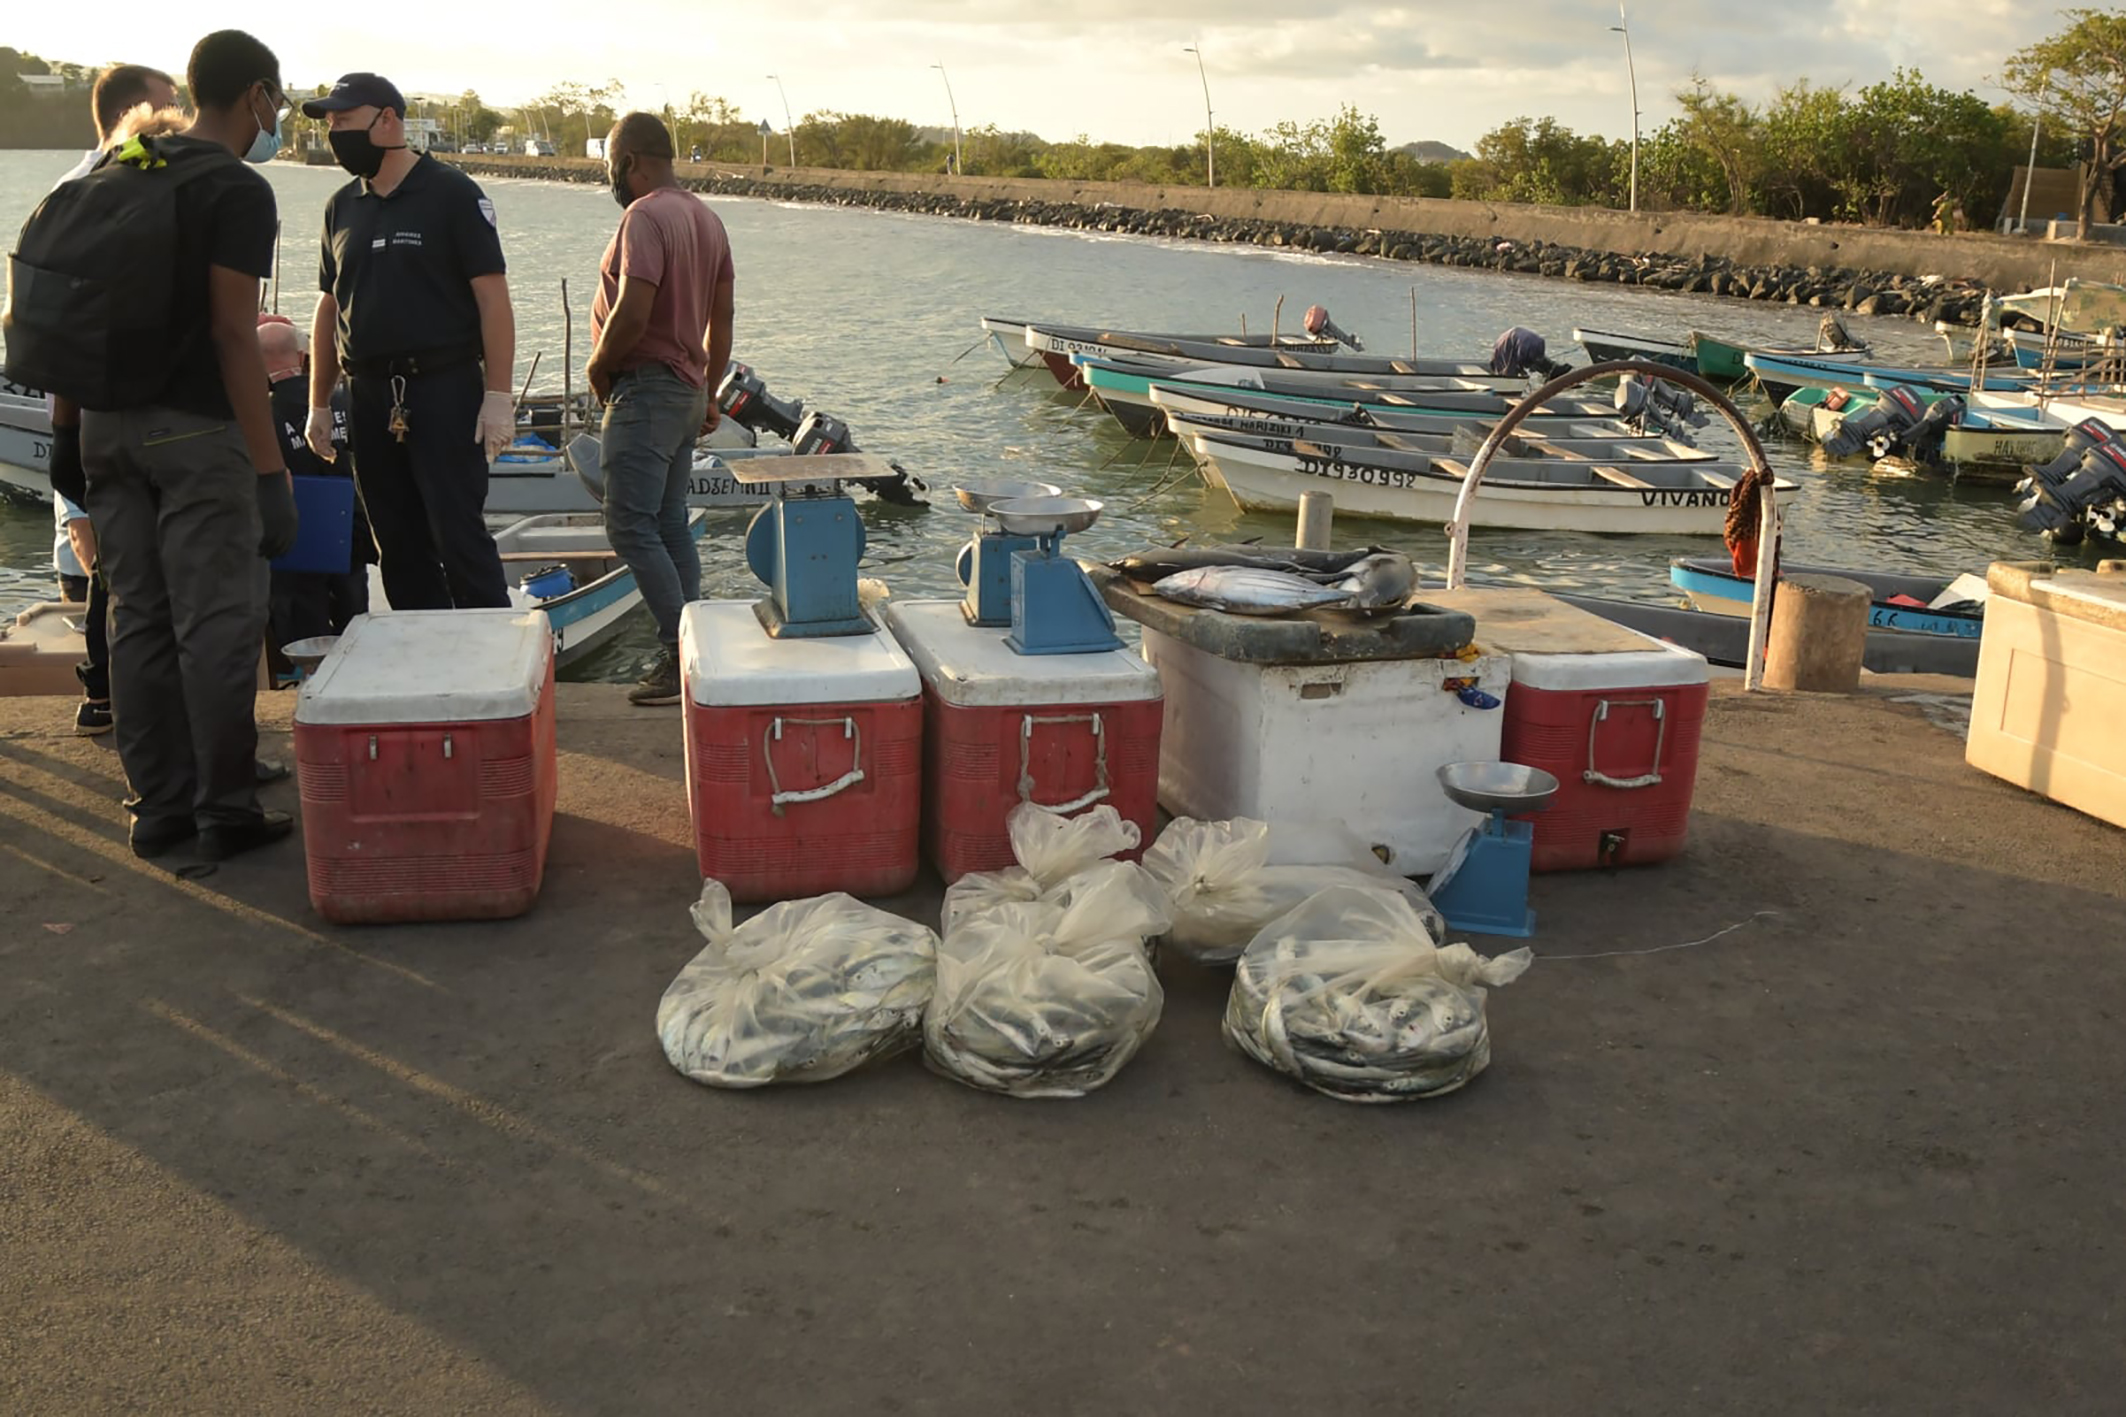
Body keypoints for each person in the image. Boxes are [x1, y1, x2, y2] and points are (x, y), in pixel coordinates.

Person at [42, 30, 299, 861]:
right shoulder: (234, 187)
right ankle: (224, 805)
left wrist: (64, 431)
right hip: (195, 431)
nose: (279, 118)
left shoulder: (122, 166)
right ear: (255, 95)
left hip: (106, 427)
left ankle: (157, 806)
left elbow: (71, 313)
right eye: (279, 101)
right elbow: (233, 333)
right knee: (216, 622)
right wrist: (271, 472)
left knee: (137, 620)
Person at [303, 72, 516, 611]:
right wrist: (318, 404)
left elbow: (493, 299)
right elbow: (329, 307)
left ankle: (492, 662)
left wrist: (498, 396)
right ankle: (424, 662)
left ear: (388, 120)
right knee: (395, 542)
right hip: (370, 394)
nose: (335, 133)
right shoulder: (341, 207)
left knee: (456, 532)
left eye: (345, 121)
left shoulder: (452, 194)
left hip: (444, 388)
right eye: (330, 123)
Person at [45, 64, 180, 738]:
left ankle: (108, 695)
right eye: (169, 105)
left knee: (119, 569)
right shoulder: (112, 190)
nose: (180, 116)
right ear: (136, 111)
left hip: (83, 415)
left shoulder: (69, 193)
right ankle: (116, 700)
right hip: (114, 414)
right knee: (127, 570)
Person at [586, 111, 736, 706]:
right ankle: (694, 642)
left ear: (627, 162)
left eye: (610, 168)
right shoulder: (707, 218)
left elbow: (634, 308)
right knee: (669, 521)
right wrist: (712, 389)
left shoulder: (644, 216)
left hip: (647, 388)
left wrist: (599, 366)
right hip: (687, 387)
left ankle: (679, 656)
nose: (611, 180)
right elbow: (721, 318)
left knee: (628, 523)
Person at [260, 316, 367, 656]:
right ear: (303, 357)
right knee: (355, 623)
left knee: (304, 633)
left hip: (294, 536)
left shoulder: (261, 413)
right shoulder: (343, 401)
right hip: (349, 530)